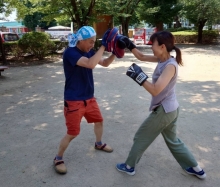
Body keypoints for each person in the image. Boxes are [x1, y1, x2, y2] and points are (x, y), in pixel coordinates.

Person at [116, 31, 206, 179]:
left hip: (164, 111)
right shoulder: (162, 59)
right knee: (173, 141)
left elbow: (156, 90)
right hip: (171, 109)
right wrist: (129, 44)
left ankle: (129, 166)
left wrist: (139, 77)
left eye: (153, 44)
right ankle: (196, 168)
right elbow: (142, 56)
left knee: (140, 137)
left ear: (162, 46)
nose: (151, 47)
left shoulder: (170, 66)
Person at [54, 26, 116, 174]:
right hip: (74, 100)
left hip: (89, 98)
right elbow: (90, 64)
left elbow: (105, 63)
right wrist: (103, 45)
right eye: (90, 42)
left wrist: (116, 52)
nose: (92, 45)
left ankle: (98, 143)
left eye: (94, 42)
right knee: (73, 133)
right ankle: (58, 158)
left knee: (99, 120)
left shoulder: (89, 52)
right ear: (80, 41)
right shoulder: (70, 53)